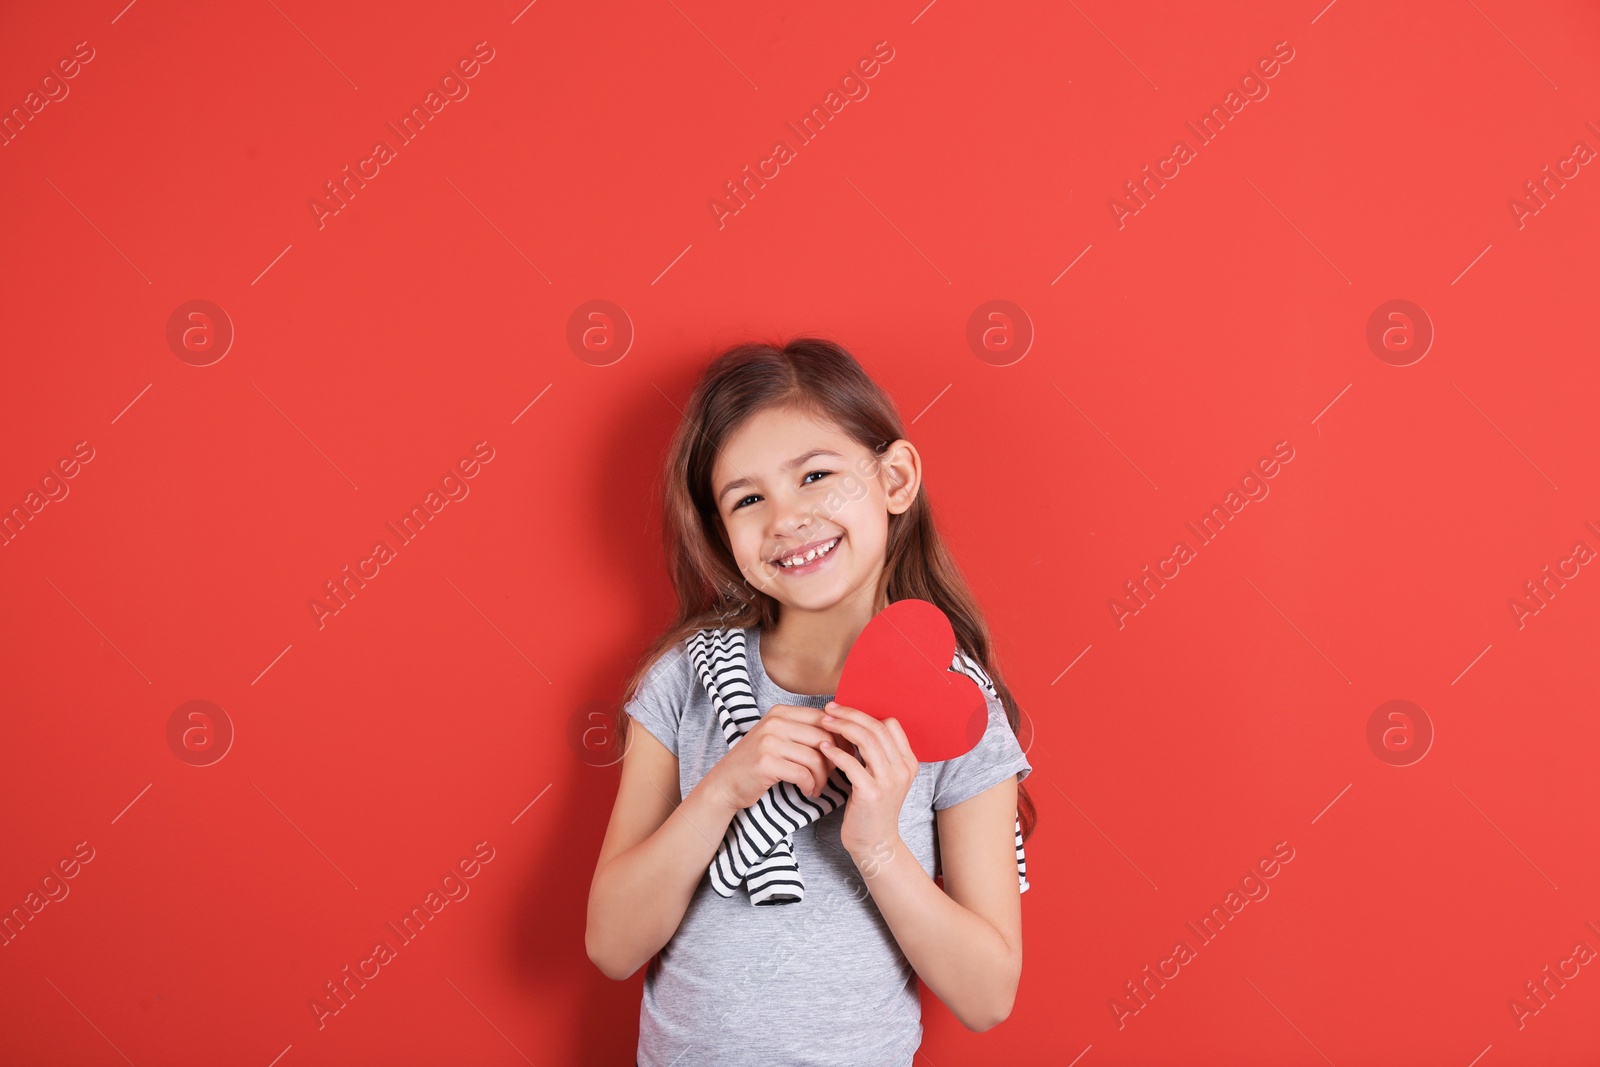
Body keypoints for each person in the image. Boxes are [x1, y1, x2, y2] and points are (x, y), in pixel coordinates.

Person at [585, 337, 1037, 1066]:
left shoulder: (957, 712)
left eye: (817, 475)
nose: (786, 517)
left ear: (895, 479)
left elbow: (987, 996)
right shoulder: (684, 681)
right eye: (749, 498)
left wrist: (877, 844)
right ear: (722, 531)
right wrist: (723, 788)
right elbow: (611, 945)